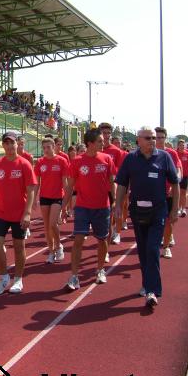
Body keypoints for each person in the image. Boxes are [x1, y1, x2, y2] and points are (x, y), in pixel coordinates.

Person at [114, 127, 179, 308]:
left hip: (158, 210)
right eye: (148, 138)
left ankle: (152, 291)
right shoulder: (130, 159)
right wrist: (118, 205)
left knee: (152, 248)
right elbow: (122, 184)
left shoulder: (164, 157)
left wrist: (175, 209)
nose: (152, 141)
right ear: (139, 140)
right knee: (143, 250)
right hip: (138, 211)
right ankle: (146, 284)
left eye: (154, 138)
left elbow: (175, 183)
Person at [61, 128, 116, 291]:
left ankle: (100, 269)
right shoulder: (77, 161)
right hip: (83, 207)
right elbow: (70, 187)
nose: (103, 143)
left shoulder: (106, 159)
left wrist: (115, 202)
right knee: (78, 240)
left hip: (102, 207)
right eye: (100, 141)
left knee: (102, 240)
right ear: (90, 143)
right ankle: (74, 276)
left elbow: (112, 182)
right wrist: (63, 208)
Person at [0, 131, 37, 295]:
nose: (9, 146)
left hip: (19, 213)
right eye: (6, 143)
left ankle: (18, 278)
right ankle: (4, 277)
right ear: (3, 145)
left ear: (17, 144)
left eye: (12, 143)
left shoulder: (24, 164)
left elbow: (31, 190)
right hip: (1, 213)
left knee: (18, 246)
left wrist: (27, 213)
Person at [34, 137, 70, 263]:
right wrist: (33, 199)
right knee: (46, 226)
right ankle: (51, 251)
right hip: (44, 197)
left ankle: (59, 246)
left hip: (57, 197)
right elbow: (37, 183)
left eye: (48, 147)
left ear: (54, 147)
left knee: (53, 224)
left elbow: (65, 183)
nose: (46, 150)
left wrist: (66, 202)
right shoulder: (40, 162)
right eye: (44, 148)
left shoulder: (61, 161)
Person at [155, 127, 182, 259]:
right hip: (154, 194)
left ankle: (165, 247)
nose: (159, 140)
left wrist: (174, 184)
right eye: (157, 137)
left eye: (161, 137)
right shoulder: (149, 153)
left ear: (165, 138)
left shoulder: (171, 153)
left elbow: (177, 171)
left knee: (168, 221)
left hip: (168, 193)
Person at [99, 123, 125, 245]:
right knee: (105, 217)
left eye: (108, 133)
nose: (106, 136)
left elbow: (121, 170)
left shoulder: (116, 151)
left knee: (116, 211)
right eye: (104, 133)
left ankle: (117, 233)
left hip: (114, 186)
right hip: (100, 188)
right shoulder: (96, 149)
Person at [176, 139, 188, 217]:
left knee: (183, 192)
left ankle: (183, 209)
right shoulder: (175, 153)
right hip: (176, 176)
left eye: (183, 145)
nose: (182, 146)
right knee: (177, 193)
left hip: (185, 176)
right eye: (180, 145)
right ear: (178, 146)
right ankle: (178, 208)